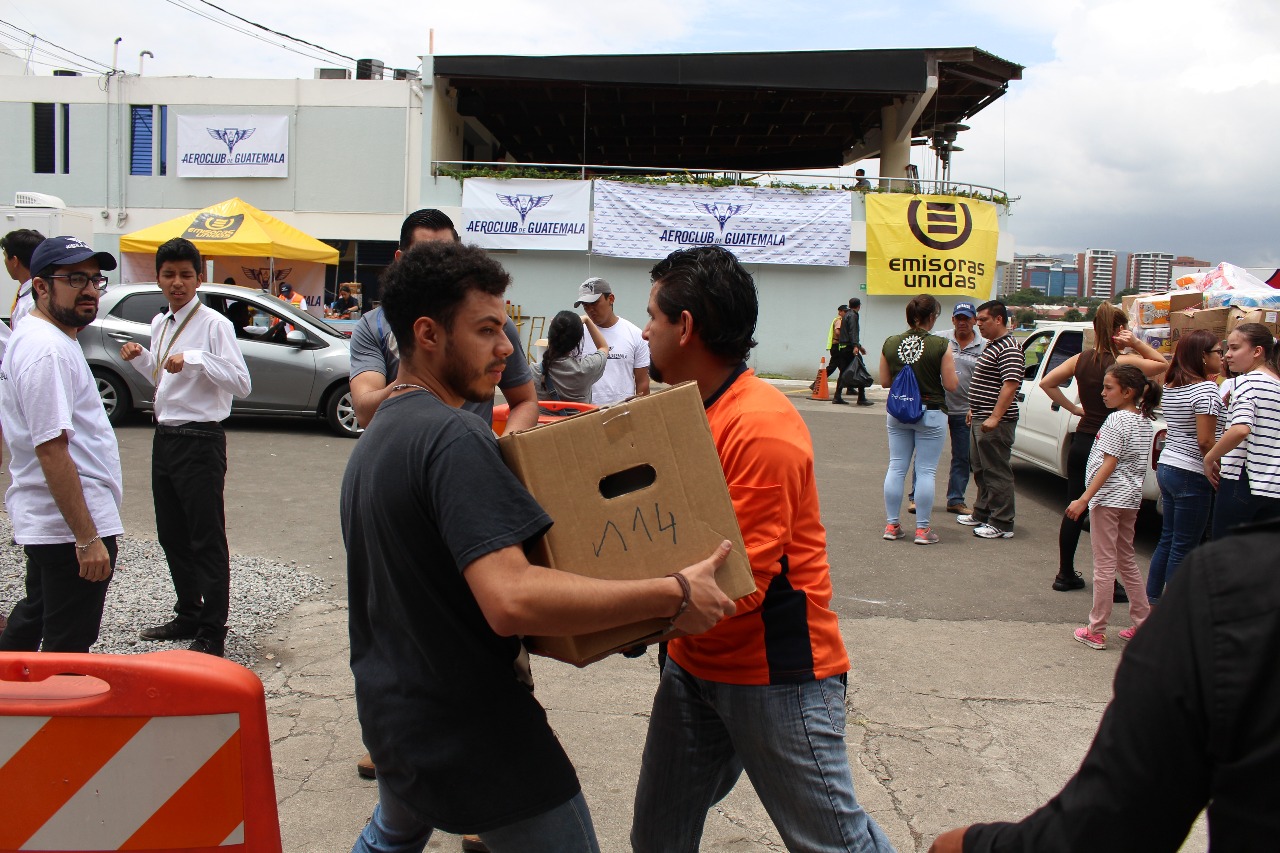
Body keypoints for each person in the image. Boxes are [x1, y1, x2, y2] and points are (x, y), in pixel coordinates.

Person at [341, 240, 735, 853]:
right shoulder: (451, 439)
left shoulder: (377, 438)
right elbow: (512, 599)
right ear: (428, 334)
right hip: (473, 730)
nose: (506, 346)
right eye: (488, 329)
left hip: (394, 711)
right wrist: (672, 593)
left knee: (393, 833)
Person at [631, 245, 894, 852]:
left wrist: (617, 611)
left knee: (835, 843)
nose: (644, 332)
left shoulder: (759, 424)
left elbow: (735, 581)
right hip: (694, 665)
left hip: (775, 677)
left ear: (686, 326)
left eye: (652, 316)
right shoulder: (687, 409)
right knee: (658, 835)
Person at [928, 517, 1280, 853]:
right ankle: (1127, 617)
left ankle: (1100, 625)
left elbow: (1116, 821)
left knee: (1110, 559)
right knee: (1123, 554)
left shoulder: (1235, 584)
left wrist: (973, 845)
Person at [121, 238, 252, 658]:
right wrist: (142, 357)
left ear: (199, 277)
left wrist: (194, 358)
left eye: (185, 274)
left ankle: (213, 631)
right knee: (172, 533)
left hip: (200, 439)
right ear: (157, 278)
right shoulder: (161, 323)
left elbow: (241, 383)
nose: (177, 283)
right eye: (168, 274)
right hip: (166, 436)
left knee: (205, 538)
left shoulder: (215, 325)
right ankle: (188, 612)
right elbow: (164, 380)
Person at [0, 237, 122, 654]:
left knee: (37, 613)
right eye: (74, 279)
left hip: (56, 523)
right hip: (67, 528)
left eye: (94, 279)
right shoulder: (46, 349)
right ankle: (41, 715)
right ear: (41, 287)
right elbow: (51, 449)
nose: (89, 289)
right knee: (67, 648)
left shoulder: (49, 336)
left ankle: (12, 696)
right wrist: (87, 538)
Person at [350, 209, 538, 433]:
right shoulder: (375, 327)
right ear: (427, 333)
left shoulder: (494, 322)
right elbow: (365, 413)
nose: (440, 266)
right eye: (425, 257)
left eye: (450, 256)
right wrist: (416, 378)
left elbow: (525, 401)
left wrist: (498, 452)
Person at [1038, 303, 1167, 593]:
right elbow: (1161, 365)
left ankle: (1065, 573)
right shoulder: (1122, 364)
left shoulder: (1081, 359)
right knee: (1108, 515)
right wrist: (1134, 342)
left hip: (1082, 441)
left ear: (1095, 329)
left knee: (1074, 506)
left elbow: (1048, 382)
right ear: (1120, 330)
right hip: (1110, 446)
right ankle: (1112, 581)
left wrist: (1075, 408)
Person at [1065, 364, 1160, 650]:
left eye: (1109, 388)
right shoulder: (1143, 420)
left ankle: (1096, 628)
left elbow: (1109, 462)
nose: (1103, 393)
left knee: (1105, 563)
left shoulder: (1116, 420)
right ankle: (1143, 622)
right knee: (1125, 559)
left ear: (1127, 392)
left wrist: (1084, 498)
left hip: (1108, 499)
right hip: (1130, 499)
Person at [1145, 330, 1222, 603]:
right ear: (1203, 356)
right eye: (1218, 352)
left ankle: (1152, 605)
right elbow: (1205, 440)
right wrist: (1216, 464)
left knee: (1168, 539)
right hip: (1192, 470)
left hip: (1169, 466)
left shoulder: (1173, 385)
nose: (1222, 358)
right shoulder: (1206, 388)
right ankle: (1172, 615)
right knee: (1184, 546)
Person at [880, 295, 959, 545]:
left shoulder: (891, 343)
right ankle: (923, 530)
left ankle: (892, 525)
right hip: (931, 412)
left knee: (896, 467)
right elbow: (951, 384)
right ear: (932, 316)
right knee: (925, 471)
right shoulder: (940, 344)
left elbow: (884, 382)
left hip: (898, 412)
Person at [1203, 323, 1280, 536]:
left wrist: (1209, 458)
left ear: (1257, 351)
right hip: (1274, 487)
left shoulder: (1245, 383)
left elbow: (1241, 430)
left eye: (1235, 348)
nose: (1227, 355)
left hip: (1243, 480)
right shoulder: (1276, 385)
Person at [956, 300, 1021, 539]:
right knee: (981, 468)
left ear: (998, 319)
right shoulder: (994, 344)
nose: (978, 324)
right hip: (981, 414)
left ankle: (1002, 522)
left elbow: (1010, 384)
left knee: (996, 471)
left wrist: (995, 416)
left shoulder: (1009, 347)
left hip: (996, 421)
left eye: (983, 320)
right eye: (978, 319)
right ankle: (982, 512)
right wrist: (975, 407)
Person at [573, 277, 650, 404]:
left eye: (594, 303)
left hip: (623, 414)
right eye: (585, 306)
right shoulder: (577, 334)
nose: (590, 309)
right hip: (586, 415)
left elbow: (642, 383)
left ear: (611, 299)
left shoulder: (635, 335)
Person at [530, 310, 608, 403]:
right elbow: (603, 347)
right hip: (579, 418)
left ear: (550, 336)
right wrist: (587, 320)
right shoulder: (586, 368)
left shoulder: (534, 371)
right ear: (577, 341)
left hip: (544, 418)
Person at [833, 297, 872, 406]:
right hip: (850, 348)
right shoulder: (853, 315)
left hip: (843, 347)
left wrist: (859, 346)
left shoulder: (846, 315)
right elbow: (853, 331)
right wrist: (856, 346)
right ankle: (861, 397)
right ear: (859, 306)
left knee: (844, 372)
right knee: (860, 369)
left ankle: (837, 396)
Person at [811, 304, 848, 392]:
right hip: (836, 347)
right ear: (840, 312)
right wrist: (846, 338)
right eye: (845, 311)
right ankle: (816, 383)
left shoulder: (842, 320)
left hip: (837, 347)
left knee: (845, 368)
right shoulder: (839, 321)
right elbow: (837, 332)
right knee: (833, 367)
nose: (846, 313)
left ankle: (849, 388)